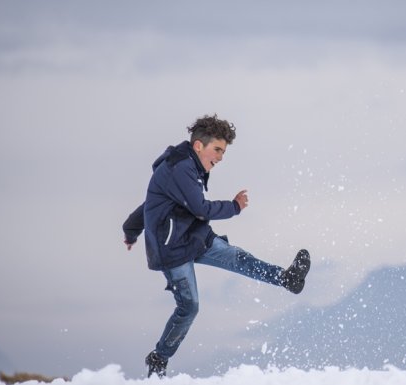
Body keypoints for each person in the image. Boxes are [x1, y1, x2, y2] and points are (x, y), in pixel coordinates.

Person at [122, 114, 311, 378]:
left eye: (223, 151)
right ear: (199, 145)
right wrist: (234, 207)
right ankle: (158, 359)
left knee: (237, 257)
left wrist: (130, 231)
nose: (221, 157)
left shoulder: (189, 165)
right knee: (189, 307)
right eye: (218, 150)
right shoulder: (181, 168)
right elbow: (200, 209)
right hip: (172, 250)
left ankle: (286, 278)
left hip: (192, 237)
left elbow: (150, 204)